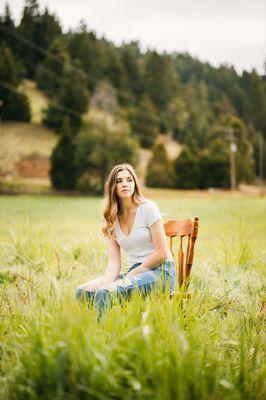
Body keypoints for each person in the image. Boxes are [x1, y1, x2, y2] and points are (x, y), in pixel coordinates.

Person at [76, 163, 176, 317]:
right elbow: (114, 262)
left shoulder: (148, 208)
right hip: (135, 274)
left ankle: (102, 338)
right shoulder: (111, 219)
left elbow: (161, 253)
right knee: (83, 292)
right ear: (112, 187)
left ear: (135, 183)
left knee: (104, 294)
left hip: (161, 272)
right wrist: (108, 281)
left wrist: (133, 273)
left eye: (129, 180)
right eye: (119, 181)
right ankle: (92, 331)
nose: (125, 184)